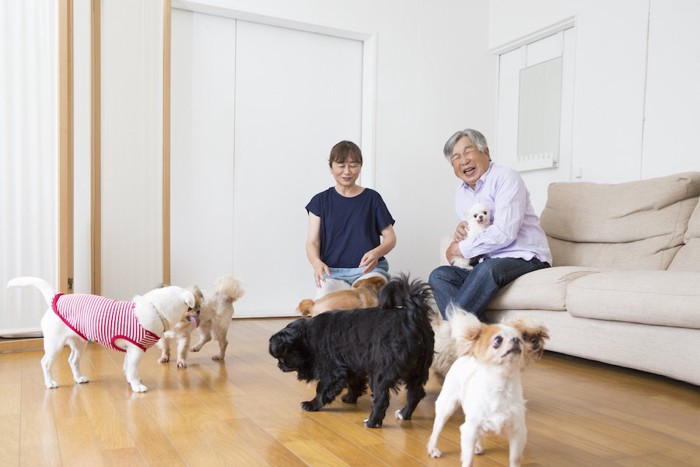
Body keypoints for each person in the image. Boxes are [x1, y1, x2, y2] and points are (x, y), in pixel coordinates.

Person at [429, 129, 552, 320]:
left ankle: (454, 336)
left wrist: (461, 248)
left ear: (486, 152)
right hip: (486, 262)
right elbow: (475, 234)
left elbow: (505, 232)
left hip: (525, 257)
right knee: (440, 275)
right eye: (456, 157)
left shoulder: (506, 177)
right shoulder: (461, 193)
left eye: (468, 152)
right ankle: (479, 337)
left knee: (486, 270)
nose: (463, 161)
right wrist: (462, 232)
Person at [305, 140, 396, 298]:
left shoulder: (372, 198)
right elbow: (313, 242)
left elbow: (390, 237)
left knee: (368, 302)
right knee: (325, 309)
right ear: (331, 168)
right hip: (332, 273)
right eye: (341, 165)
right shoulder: (319, 201)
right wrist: (316, 263)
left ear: (360, 167)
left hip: (368, 272)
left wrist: (376, 253)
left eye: (353, 165)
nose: (347, 171)